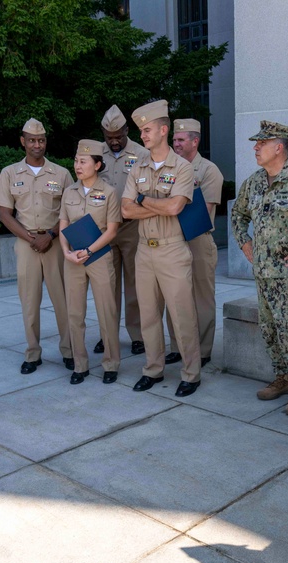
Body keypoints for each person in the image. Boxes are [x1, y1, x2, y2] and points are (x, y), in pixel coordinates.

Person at [231, 120, 288, 416]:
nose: (255, 148)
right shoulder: (254, 182)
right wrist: (244, 242)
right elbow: (238, 214)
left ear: (278, 147)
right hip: (263, 273)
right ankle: (283, 377)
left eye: (262, 143)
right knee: (269, 330)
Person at [121, 99, 203, 397]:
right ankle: (153, 370)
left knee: (182, 315)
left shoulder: (182, 167)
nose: (142, 135)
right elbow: (126, 211)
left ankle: (191, 374)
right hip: (145, 250)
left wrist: (143, 200)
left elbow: (175, 207)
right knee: (149, 315)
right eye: (140, 130)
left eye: (147, 130)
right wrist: (155, 205)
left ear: (163, 130)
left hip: (172, 250)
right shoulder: (137, 167)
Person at [0, 118, 74, 374]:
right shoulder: (9, 173)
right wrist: (32, 239)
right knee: (29, 301)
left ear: (45, 141)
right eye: (31, 140)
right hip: (26, 244)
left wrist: (49, 235)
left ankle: (69, 350)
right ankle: (32, 353)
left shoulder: (61, 173)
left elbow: (70, 211)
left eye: (41, 140)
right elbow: (5, 215)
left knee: (63, 300)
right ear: (23, 142)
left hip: (55, 242)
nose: (36, 145)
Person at [58, 140, 122, 385]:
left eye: (83, 161)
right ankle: (80, 364)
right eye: (76, 160)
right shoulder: (69, 192)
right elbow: (63, 224)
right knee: (75, 313)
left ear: (97, 164)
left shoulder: (109, 192)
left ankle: (111, 363)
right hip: (73, 258)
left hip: (99, 256)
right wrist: (66, 252)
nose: (78, 165)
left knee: (107, 312)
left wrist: (89, 250)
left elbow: (113, 229)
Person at [165, 118, 223, 367]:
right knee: (175, 296)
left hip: (198, 240)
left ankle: (203, 349)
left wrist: (165, 209)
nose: (175, 144)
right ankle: (178, 346)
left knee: (201, 298)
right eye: (174, 139)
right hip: (172, 240)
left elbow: (204, 210)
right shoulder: (167, 169)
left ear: (195, 141)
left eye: (180, 140)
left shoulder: (209, 171)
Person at [100, 104, 148, 356]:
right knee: (105, 286)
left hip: (131, 228)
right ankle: (107, 334)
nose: (114, 142)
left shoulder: (141, 153)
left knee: (133, 284)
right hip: (104, 230)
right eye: (109, 138)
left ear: (127, 130)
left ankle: (137, 334)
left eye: (119, 136)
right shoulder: (96, 153)